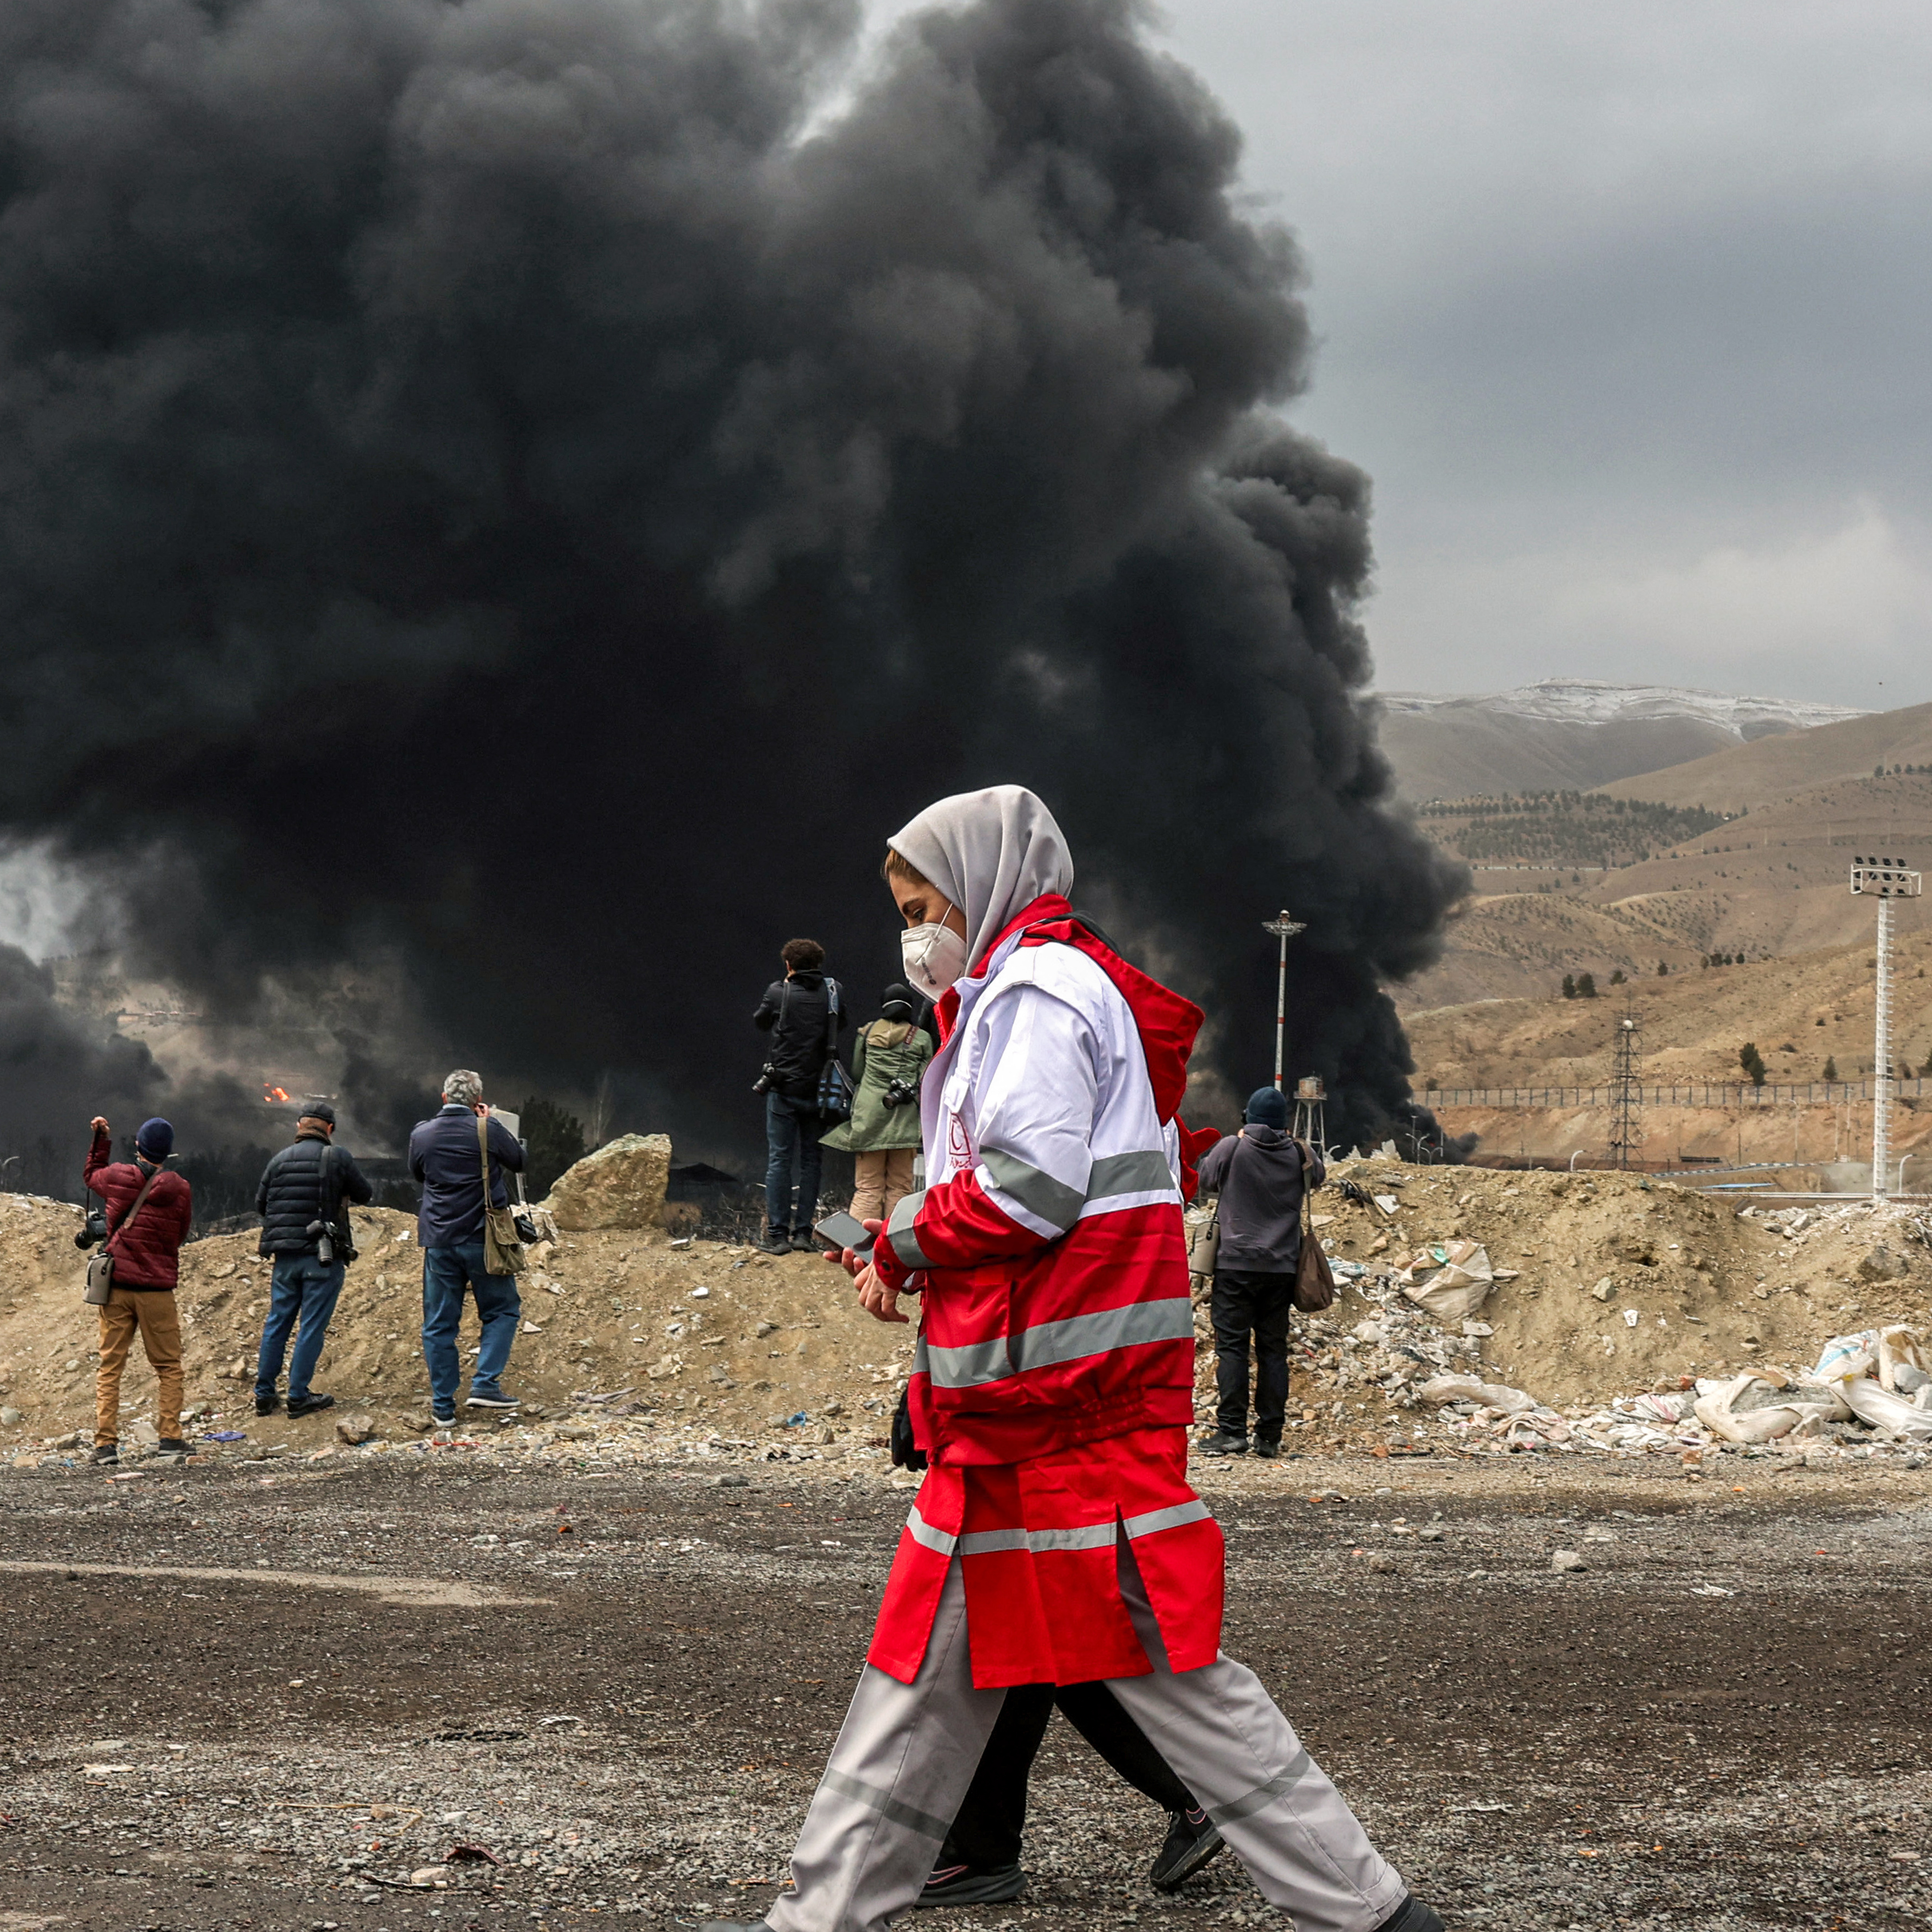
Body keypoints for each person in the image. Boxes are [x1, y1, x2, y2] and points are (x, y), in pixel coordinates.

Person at [701, 785, 1439, 1932]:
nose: (912, 927)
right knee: (931, 1684)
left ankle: (1371, 1911)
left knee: (1151, 1677)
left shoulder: (1039, 995)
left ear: (982, 878)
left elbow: (1029, 1188)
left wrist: (898, 1236)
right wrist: (917, 1260)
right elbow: (1010, 1196)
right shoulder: (1006, 996)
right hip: (1016, 1416)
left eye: (920, 899)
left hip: (1062, 1416)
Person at [1193, 1088, 1325, 1458]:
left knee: (1232, 1348)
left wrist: (1234, 1145)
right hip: (1282, 1269)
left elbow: (1205, 1179)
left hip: (1234, 1265)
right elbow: (1318, 1178)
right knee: (1272, 1352)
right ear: (1284, 1121)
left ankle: (1231, 1431)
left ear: (1247, 1117)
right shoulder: (1300, 1151)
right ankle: (1269, 1436)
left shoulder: (1231, 1148)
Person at [408, 1069, 527, 1426]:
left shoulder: (421, 1133)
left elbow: (418, 1174)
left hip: (439, 1241)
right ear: (478, 1101)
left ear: (444, 1098)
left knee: (439, 1324)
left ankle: (443, 1407)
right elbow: (520, 1161)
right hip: (483, 1238)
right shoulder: (486, 1129)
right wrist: (490, 1123)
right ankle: (485, 1384)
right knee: (503, 1310)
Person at [252, 1102, 374, 1418]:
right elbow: (365, 1194)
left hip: (284, 1259)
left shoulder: (277, 1161)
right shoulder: (337, 1157)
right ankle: (298, 1396)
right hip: (322, 1257)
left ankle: (264, 1396)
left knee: (277, 1323)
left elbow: (261, 1204)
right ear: (330, 1129)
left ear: (299, 1126)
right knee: (311, 1326)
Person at [85, 1115, 194, 1468]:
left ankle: (105, 1446)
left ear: (138, 1147)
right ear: (169, 1152)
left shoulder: (118, 1177)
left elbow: (91, 1176)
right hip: (158, 1291)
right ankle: (171, 1439)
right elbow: (180, 1236)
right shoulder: (180, 1189)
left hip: (117, 1288)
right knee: (168, 1367)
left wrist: (101, 1140)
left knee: (110, 1366)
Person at [752, 938, 848, 1255]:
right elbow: (842, 1024)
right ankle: (803, 1234)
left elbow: (760, 1022)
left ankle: (778, 1236)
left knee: (780, 1159)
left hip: (782, 1090)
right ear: (818, 965)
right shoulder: (833, 993)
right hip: (819, 1093)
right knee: (812, 1162)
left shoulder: (778, 992)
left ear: (789, 965)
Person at [820, 983, 932, 1227]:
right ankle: (893, 1249)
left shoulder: (867, 1033)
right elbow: (927, 1080)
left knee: (868, 1187)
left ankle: (858, 1250)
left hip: (869, 1118)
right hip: (905, 1121)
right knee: (900, 1187)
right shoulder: (922, 1038)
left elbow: (858, 1072)